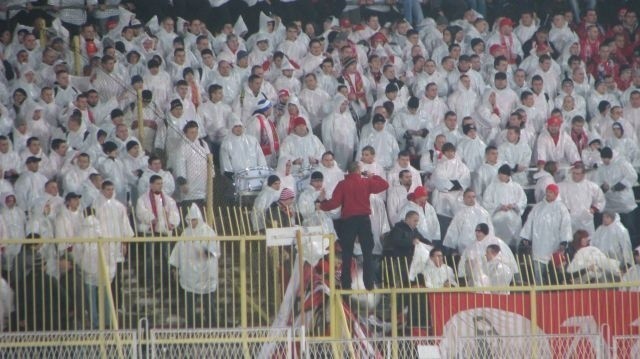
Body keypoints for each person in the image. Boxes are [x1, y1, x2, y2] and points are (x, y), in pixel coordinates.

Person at [319, 161, 389, 290]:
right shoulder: (365, 182)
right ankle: (369, 283)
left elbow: (334, 203)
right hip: (364, 220)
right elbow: (385, 185)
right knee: (368, 252)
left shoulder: (342, 184)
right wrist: (371, 176)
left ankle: (346, 284)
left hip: (348, 221)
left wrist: (322, 205)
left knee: (347, 253)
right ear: (358, 170)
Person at [169, 203, 219, 328]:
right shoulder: (185, 234)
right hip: (189, 275)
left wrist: (204, 253)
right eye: (189, 220)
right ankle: (191, 326)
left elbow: (214, 251)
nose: (192, 222)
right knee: (189, 304)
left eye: (194, 220)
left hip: (206, 274)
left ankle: (212, 325)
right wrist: (175, 268)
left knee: (208, 303)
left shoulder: (208, 232)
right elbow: (177, 251)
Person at [520, 184, 573, 285]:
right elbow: (529, 221)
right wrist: (526, 237)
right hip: (539, 245)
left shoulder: (562, 208)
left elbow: (565, 225)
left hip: (554, 246)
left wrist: (564, 241)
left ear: (556, 194)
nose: (548, 194)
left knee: (554, 272)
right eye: (547, 192)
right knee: (538, 272)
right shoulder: (538, 207)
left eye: (551, 192)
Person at [595, 147, 639, 247]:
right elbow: (597, 182)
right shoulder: (601, 167)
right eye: (603, 159)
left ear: (611, 157)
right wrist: (603, 187)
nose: (605, 162)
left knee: (628, 228)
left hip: (624, 203)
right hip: (610, 204)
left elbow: (632, 176)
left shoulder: (621, 163)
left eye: (607, 159)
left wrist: (620, 185)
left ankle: (633, 250)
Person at [482, 165, 527, 250]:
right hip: (497, 219)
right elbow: (486, 202)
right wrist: (499, 207)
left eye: (505, 175)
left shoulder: (516, 187)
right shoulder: (492, 187)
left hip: (513, 218)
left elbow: (523, 201)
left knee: (512, 243)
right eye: (501, 174)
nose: (503, 176)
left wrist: (514, 206)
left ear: (509, 176)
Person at [558, 164, 606, 235]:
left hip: (585, 219)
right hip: (570, 219)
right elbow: (557, 200)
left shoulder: (592, 186)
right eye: (573, 173)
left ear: (583, 174)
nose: (574, 175)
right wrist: (563, 209)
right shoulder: (562, 186)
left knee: (586, 241)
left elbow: (600, 200)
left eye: (577, 174)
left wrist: (593, 209)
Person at [174, 121, 212, 210]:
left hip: (203, 184)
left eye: (196, 132)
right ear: (186, 133)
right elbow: (180, 165)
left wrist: (211, 176)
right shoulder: (182, 147)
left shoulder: (203, 144)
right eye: (191, 132)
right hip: (189, 185)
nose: (194, 135)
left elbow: (209, 160)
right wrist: (182, 182)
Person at [443, 189, 493, 255]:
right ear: (464, 198)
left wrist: (491, 242)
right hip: (464, 248)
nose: (472, 199)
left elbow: (490, 229)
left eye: (473, 197)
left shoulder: (484, 213)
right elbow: (454, 231)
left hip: (482, 247)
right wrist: (452, 247)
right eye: (469, 197)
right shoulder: (460, 214)